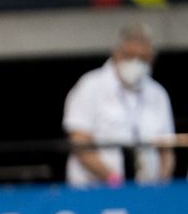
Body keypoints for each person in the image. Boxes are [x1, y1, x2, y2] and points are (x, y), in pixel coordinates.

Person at [63, 25, 175, 189]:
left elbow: (167, 150)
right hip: (96, 191)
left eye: (143, 58)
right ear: (117, 53)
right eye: (130, 56)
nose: (136, 63)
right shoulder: (90, 86)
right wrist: (116, 181)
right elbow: (80, 143)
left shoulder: (158, 94)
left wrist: (161, 186)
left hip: (147, 193)